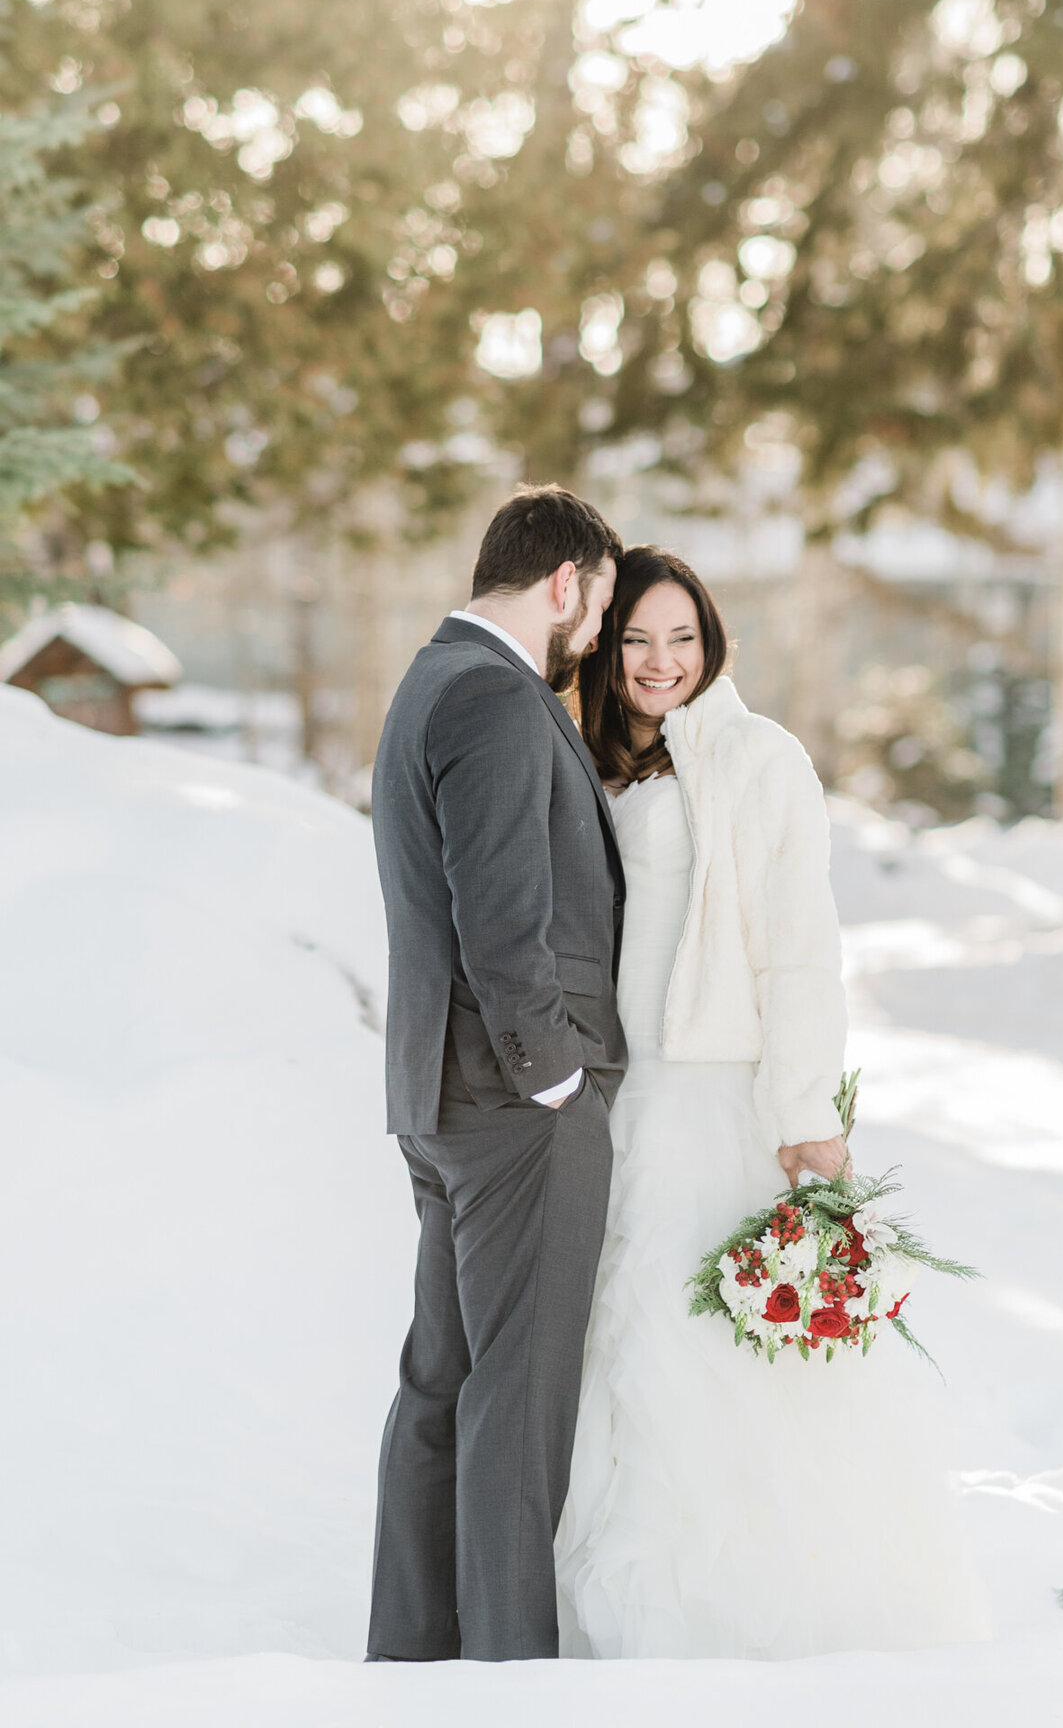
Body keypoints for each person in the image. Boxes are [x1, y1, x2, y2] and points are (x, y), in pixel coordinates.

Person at [555, 546, 991, 1659]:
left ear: (712, 643)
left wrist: (809, 1119)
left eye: (682, 638)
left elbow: (801, 952)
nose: (660, 663)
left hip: (718, 1103)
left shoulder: (759, 758)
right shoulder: (585, 758)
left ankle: (741, 1610)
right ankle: (590, 1601)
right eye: (638, 640)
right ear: (607, 647)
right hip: (613, 1098)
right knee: (612, 1347)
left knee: (702, 1341)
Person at [367, 484, 628, 1664]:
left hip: (443, 1099)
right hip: (515, 1106)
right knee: (517, 1407)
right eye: (599, 609)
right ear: (564, 582)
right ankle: (508, 1678)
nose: (593, 643)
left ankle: (417, 1658)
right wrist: (556, 1078)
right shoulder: (495, 697)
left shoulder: (432, 678)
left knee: (447, 1384)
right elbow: (501, 921)